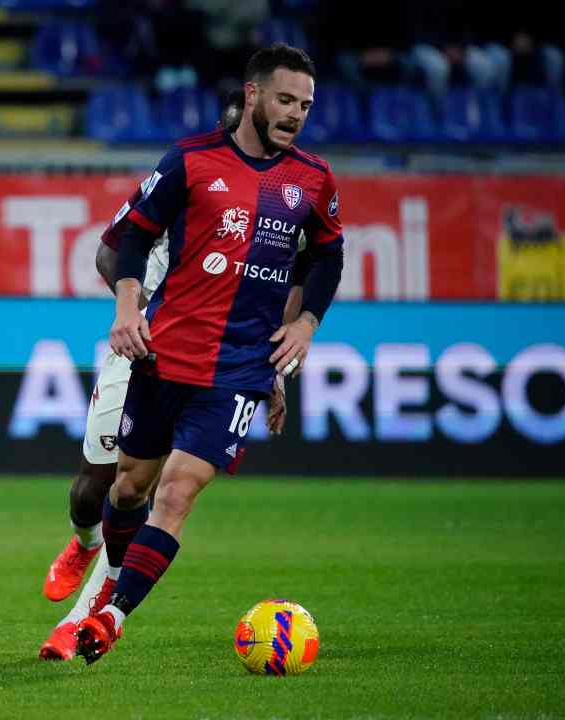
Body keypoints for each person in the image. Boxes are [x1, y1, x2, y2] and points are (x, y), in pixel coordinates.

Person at [73, 43, 345, 664]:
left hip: (238, 370)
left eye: (305, 104)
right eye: (284, 99)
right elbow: (134, 235)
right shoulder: (191, 162)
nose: (296, 114)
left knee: (175, 493)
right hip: (164, 354)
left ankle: (112, 616)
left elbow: (327, 256)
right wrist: (126, 311)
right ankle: (113, 575)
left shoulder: (312, 177)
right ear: (252, 95)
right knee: (127, 490)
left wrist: (305, 324)